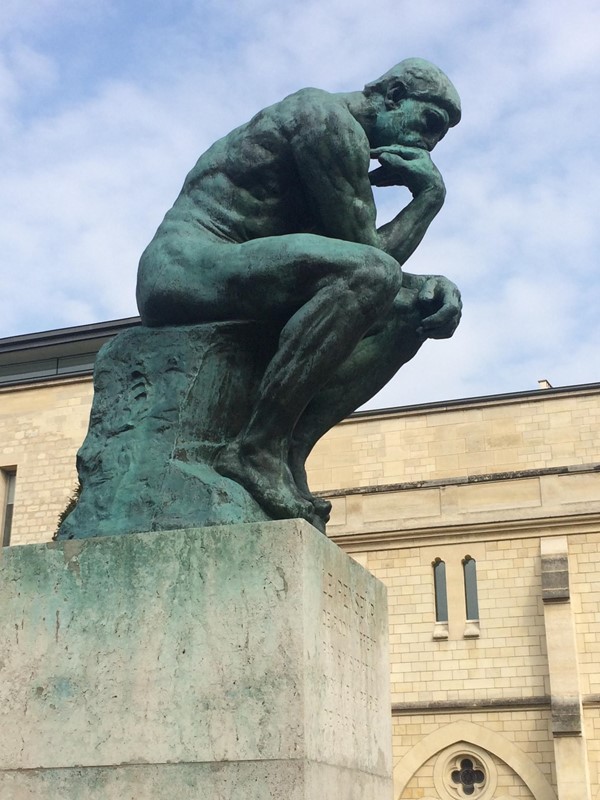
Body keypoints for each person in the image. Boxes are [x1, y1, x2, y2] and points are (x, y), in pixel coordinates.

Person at [136, 58, 463, 530]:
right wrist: (429, 200)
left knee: (417, 307)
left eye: (440, 137)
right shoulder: (325, 120)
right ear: (392, 96)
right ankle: (256, 447)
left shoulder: (345, 141)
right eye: (429, 123)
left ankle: (288, 449)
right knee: (372, 275)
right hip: (185, 266)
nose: (429, 144)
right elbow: (372, 258)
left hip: (250, 271)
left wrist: (433, 289)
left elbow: (370, 263)